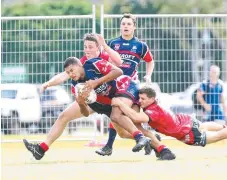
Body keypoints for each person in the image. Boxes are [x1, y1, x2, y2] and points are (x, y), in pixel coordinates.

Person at [23, 56, 151, 160]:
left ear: (80, 64)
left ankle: (147, 140)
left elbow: (118, 71)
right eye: (68, 73)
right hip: (104, 104)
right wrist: (81, 102)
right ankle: (150, 140)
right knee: (123, 133)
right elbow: (85, 113)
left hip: (124, 89)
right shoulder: (76, 86)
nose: (70, 74)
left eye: (72, 71)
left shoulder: (93, 63)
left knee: (122, 118)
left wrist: (97, 82)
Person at [96, 13, 156, 156]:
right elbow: (106, 60)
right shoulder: (112, 43)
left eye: (129, 24)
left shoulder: (140, 46)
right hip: (116, 84)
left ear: (134, 27)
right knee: (124, 125)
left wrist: (148, 75)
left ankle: (109, 146)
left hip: (131, 84)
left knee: (117, 112)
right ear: (120, 26)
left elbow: (150, 61)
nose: (126, 26)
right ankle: (150, 140)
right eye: (123, 24)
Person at [112, 86, 227, 151]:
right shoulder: (155, 104)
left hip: (185, 132)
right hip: (186, 120)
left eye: (143, 99)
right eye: (139, 98)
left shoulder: (152, 111)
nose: (140, 101)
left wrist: (120, 104)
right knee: (204, 125)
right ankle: (223, 126)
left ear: (152, 99)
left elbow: (136, 117)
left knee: (216, 136)